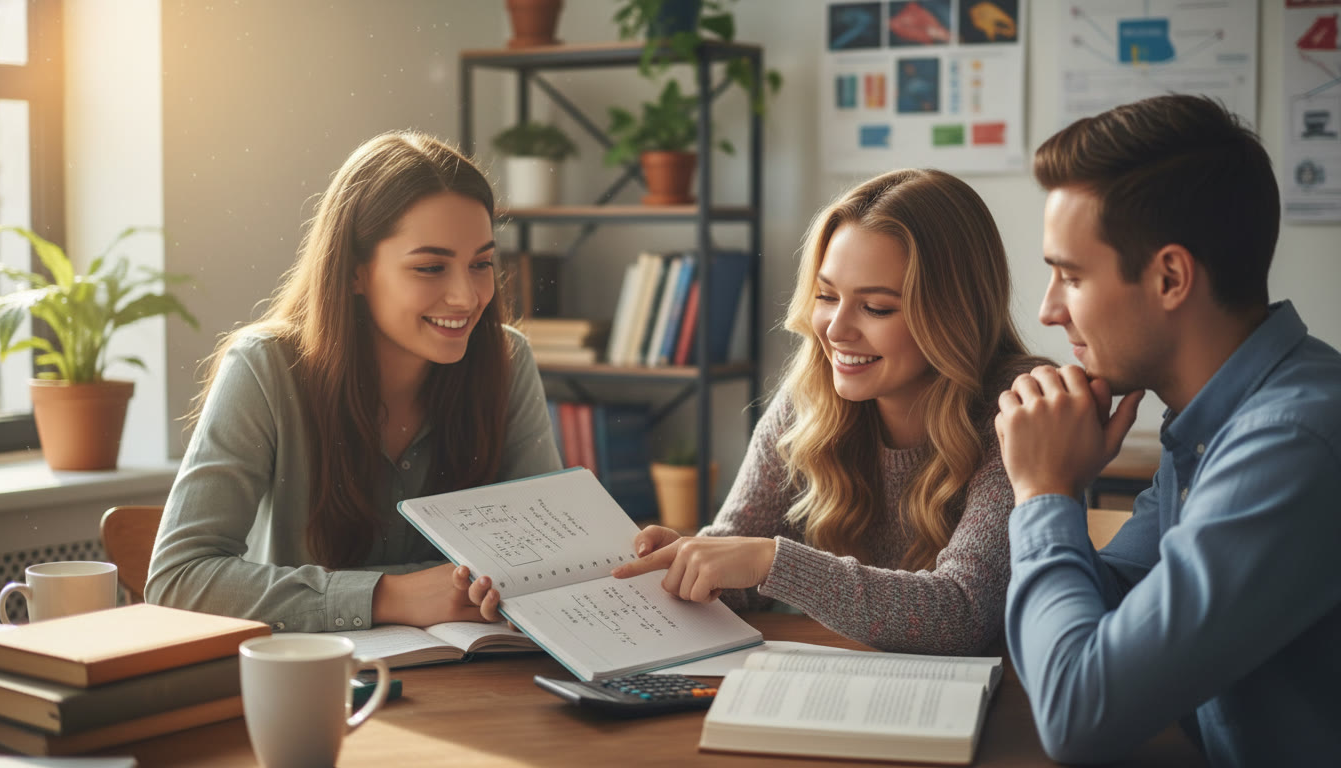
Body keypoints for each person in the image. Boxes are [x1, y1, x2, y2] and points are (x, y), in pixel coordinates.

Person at [996, 94, 1341, 766]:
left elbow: (1077, 715)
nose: (1047, 311)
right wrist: (1056, 492)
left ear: (1171, 277)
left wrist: (1044, 490)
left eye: (1070, 276)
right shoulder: (1213, 419)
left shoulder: (1291, 442)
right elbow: (1115, 611)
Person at [592, 168, 1048, 654]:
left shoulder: (1022, 410)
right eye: (827, 296)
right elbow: (738, 547)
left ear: (954, 313)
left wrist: (771, 562)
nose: (835, 330)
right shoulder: (811, 398)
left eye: (875, 307)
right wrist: (691, 559)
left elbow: (963, 612)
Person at [146, 131, 561, 632]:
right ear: (354, 272)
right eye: (431, 267)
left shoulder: (506, 360)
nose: (467, 297)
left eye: (481, 264)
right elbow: (177, 580)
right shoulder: (264, 369)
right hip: (315, 686)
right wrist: (392, 596)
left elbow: (550, 561)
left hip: (477, 683)